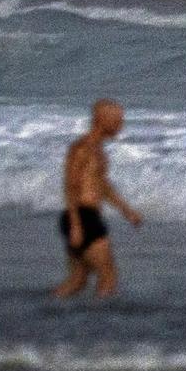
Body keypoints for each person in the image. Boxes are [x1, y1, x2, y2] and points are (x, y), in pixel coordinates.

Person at [53, 98, 143, 299]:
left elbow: (103, 187)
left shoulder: (99, 151)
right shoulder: (82, 148)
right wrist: (76, 225)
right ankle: (99, 325)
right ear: (102, 120)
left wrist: (126, 211)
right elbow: (70, 186)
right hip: (81, 217)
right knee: (109, 277)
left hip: (86, 216)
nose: (121, 125)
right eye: (118, 120)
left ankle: (46, 312)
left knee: (78, 279)